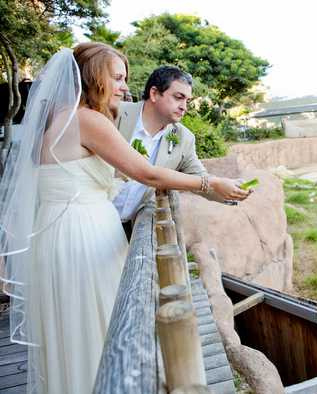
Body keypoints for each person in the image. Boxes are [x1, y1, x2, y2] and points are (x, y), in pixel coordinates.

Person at [0, 42, 250, 393]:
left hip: (56, 235)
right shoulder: (90, 119)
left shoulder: (55, 120)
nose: (123, 86)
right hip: (84, 237)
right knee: (102, 328)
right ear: (92, 77)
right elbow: (147, 174)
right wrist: (212, 180)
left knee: (74, 331)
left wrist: (225, 191)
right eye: (117, 77)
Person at [113, 66, 243, 239]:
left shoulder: (184, 138)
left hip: (128, 229)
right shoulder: (114, 114)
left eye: (187, 101)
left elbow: (200, 176)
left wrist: (232, 191)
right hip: (88, 215)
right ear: (154, 94)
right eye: (178, 97)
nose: (184, 107)